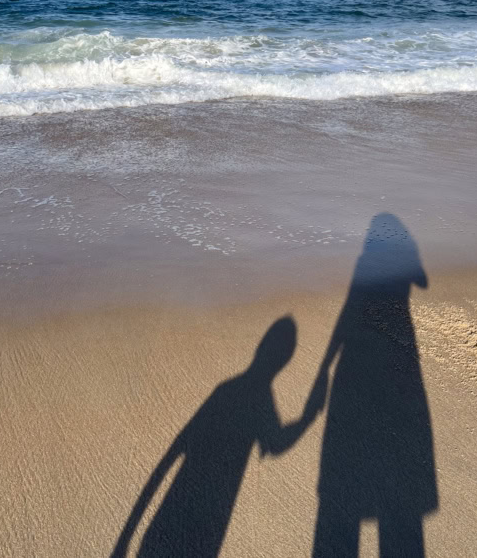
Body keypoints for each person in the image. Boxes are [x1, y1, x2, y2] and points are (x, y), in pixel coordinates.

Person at [112, 316, 326, 558]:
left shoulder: (226, 390)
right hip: (213, 512)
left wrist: (126, 535)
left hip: (177, 504)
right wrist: (308, 418)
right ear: (285, 359)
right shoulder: (259, 399)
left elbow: (173, 453)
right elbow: (275, 444)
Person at [313, 213, 438, 557]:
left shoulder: (364, 263)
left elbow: (348, 309)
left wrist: (326, 364)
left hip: (355, 360)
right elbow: (424, 282)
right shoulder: (397, 261)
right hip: (398, 347)